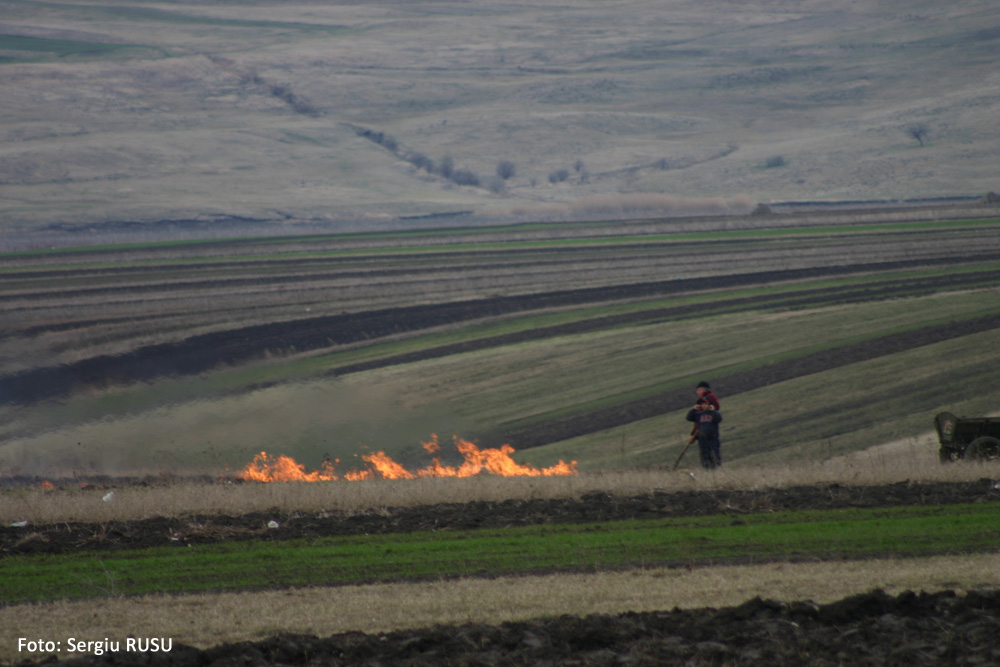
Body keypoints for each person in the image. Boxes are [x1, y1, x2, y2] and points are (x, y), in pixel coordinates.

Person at [686, 397, 723, 469]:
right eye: (702, 404)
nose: (704, 405)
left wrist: (713, 411)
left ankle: (716, 468)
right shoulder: (698, 414)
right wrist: (693, 409)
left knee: (714, 455)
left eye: (705, 404)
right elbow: (689, 418)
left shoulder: (713, 413)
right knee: (704, 456)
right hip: (702, 439)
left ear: (710, 405)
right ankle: (706, 468)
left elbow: (719, 419)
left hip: (713, 439)